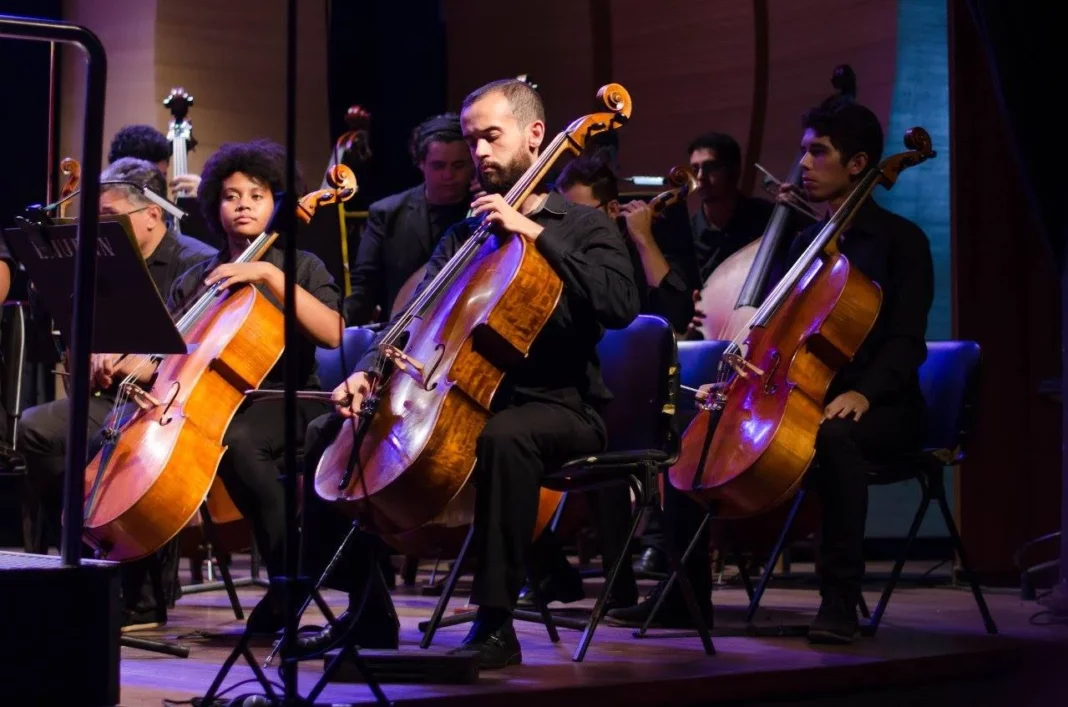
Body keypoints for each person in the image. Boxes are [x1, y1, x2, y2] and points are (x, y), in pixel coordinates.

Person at [301, 78, 641, 669]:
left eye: (491, 137)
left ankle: (494, 626)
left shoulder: (582, 226)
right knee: (324, 436)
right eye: (470, 139)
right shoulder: (466, 233)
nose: (478, 152)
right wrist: (369, 371)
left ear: (535, 136)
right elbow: (410, 318)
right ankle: (368, 611)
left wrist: (535, 233)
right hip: (461, 394)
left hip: (559, 405)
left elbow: (620, 305)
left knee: (501, 437)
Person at [684, 98, 933, 644]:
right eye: (803, 152)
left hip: (882, 407)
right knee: (693, 431)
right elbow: (777, 336)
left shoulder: (901, 242)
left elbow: (907, 342)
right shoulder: (803, 244)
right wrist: (738, 379)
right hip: (801, 394)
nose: (803, 165)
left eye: (818, 152)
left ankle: (839, 602)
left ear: (858, 163)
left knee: (835, 437)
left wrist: (865, 395)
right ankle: (684, 596)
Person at [17, 157, 218, 630]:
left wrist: (148, 363)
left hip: (171, 403)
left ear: (152, 213)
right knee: (37, 428)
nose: (100, 229)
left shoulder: (196, 261)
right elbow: (87, 333)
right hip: (114, 397)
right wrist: (89, 354)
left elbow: (203, 346)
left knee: (110, 440)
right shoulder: (103, 262)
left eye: (110, 217)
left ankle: (144, 589)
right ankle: (85, 556)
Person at [164, 139, 345, 634]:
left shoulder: (301, 266)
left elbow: (332, 331)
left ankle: (289, 576)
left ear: (278, 203)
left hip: (293, 401)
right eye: (230, 195)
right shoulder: (201, 277)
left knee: (240, 441)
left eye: (257, 194)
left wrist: (265, 271)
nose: (243, 203)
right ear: (213, 207)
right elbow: (173, 349)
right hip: (219, 401)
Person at [511, 154, 699, 611]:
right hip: (574, 389)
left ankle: (619, 581)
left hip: (631, 401)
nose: (569, 228)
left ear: (610, 211)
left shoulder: (625, 252)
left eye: (582, 213)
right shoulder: (553, 256)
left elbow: (673, 316)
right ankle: (551, 570)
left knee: (600, 437)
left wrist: (643, 237)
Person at [343, 113, 474, 325]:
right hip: (402, 333)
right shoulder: (386, 214)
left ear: (472, 164)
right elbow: (364, 289)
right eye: (438, 166)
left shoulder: (483, 208)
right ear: (421, 163)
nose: (449, 175)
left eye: (458, 165)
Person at [108, 124, 215, 248]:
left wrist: (209, 202)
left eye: (163, 176)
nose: (159, 188)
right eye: (151, 180)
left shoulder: (169, 213)